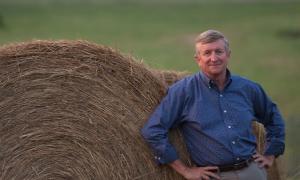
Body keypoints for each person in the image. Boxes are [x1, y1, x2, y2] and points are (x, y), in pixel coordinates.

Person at [141, 30, 285, 180]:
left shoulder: (248, 88)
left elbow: (274, 118)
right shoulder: (183, 92)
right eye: (207, 53)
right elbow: (153, 130)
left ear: (228, 54)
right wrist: (185, 171)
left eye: (219, 51)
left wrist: (270, 154)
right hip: (215, 176)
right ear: (198, 59)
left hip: (252, 173)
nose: (213, 58)